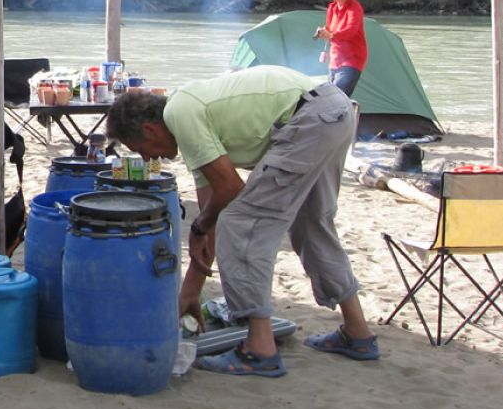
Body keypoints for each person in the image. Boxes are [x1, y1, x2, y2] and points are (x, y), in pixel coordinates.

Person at [106, 64, 378, 377]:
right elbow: (211, 214)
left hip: (309, 118)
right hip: (334, 110)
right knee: (312, 224)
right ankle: (358, 334)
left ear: (150, 129)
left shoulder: (181, 113)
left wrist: (200, 225)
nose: (148, 160)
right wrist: (190, 292)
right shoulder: (192, 125)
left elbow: (230, 193)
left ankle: (259, 349)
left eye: (140, 150)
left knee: (243, 223)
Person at [315, 0, 368, 97]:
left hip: (352, 59)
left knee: (337, 96)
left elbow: (351, 30)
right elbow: (330, 28)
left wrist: (331, 36)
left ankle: (346, 114)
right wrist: (323, 31)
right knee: (332, 97)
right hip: (335, 58)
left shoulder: (354, 7)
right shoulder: (332, 8)